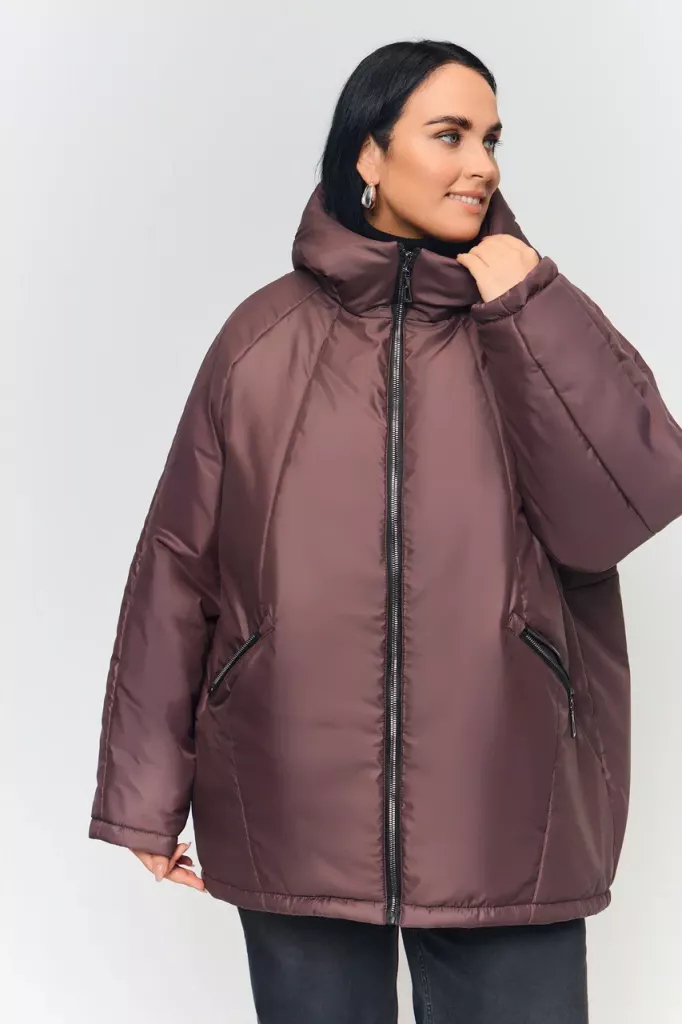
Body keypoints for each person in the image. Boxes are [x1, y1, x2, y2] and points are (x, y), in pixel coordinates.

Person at [87, 38, 682, 1023]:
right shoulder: (260, 341)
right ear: (370, 153)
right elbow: (179, 567)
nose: (481, 164)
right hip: (293, 793)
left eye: (491, 138)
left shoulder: (532, 317)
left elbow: (623, 508)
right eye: (449, 134)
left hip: (505, 793)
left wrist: (529, 306)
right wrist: (144, 794)